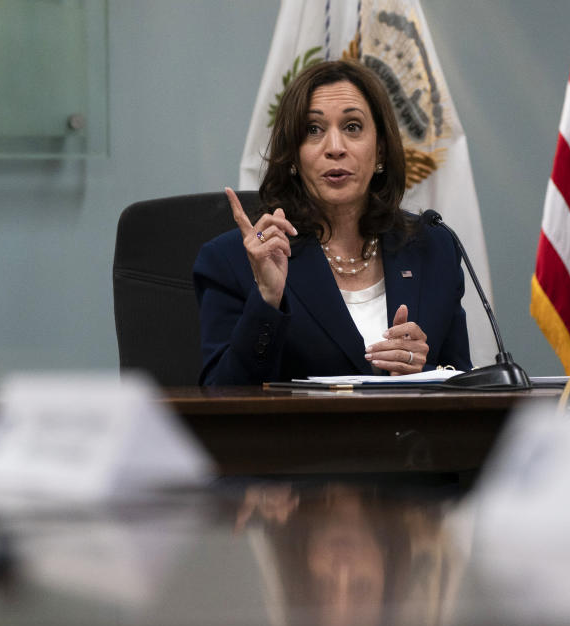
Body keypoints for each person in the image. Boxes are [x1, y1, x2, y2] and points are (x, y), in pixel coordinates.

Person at [193, 60, 471, 385]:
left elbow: (463, 385)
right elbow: (223, 400)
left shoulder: (433, 247)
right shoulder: (234, 260)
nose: (335, 148)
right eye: (313, 130)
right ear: (293, 157)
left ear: (380, 150)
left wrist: (421, 371)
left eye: (353, 127)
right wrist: (267, 299)